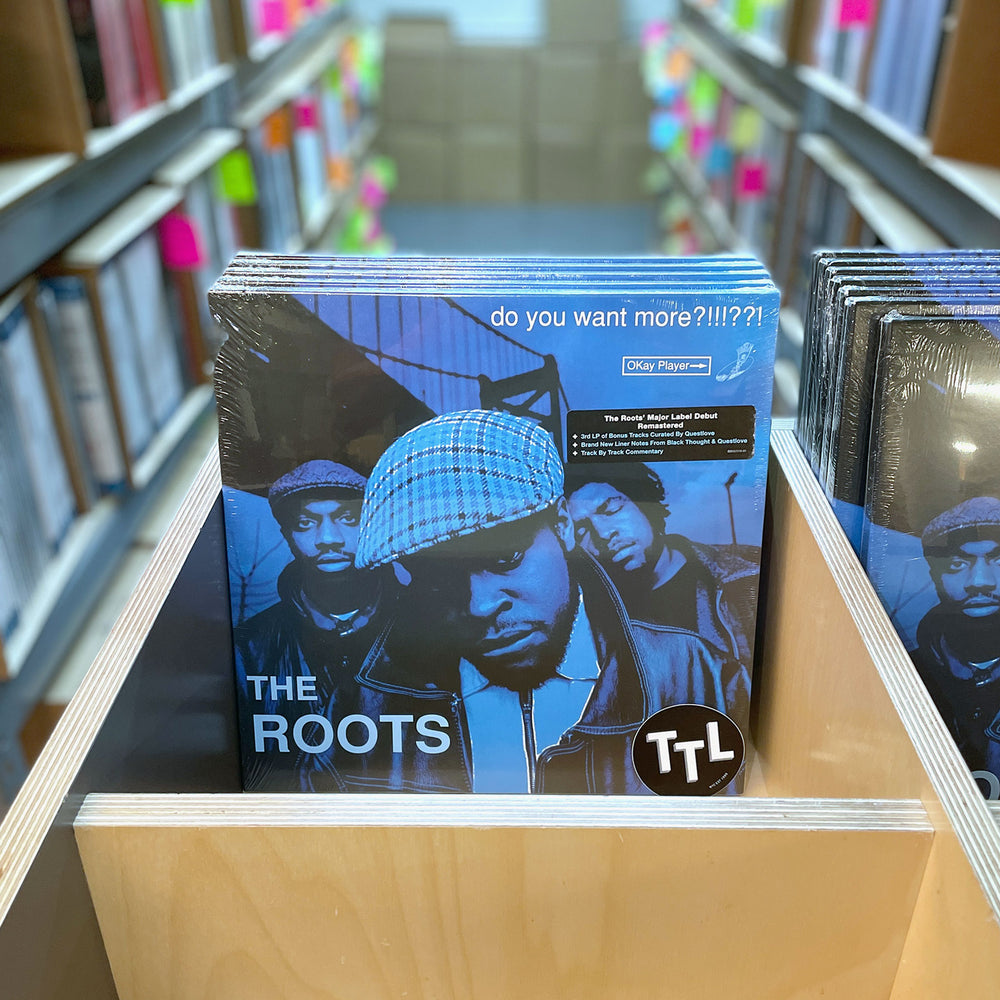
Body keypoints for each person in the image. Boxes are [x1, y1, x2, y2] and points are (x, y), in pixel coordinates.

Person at [340, 409, 749, 794]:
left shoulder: (698, 675)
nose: (480, 606)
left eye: (505, 556)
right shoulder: (365, 703)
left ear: (562, 526)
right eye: (438, 578)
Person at [233, 460, 389, 790]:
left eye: (348, 519)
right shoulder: (249, 647)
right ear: (287, 535)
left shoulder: (425, 628)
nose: (328, 539)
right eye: (305, 523)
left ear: (373, 523)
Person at [563, 463, 759, 667]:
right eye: (581, 531)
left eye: (611, 510)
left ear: (645, 505)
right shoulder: (583, 619)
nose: (603, 533)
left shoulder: (747, 576)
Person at [912, 496, 1000, 792]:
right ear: (935, 576)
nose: (980, 581)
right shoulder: (907, 675)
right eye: (957, 564)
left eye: (999, 560)